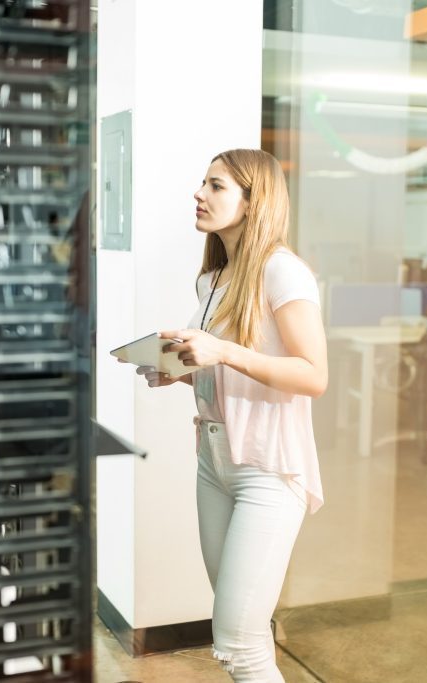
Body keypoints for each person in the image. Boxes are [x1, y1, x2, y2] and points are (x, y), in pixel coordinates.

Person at [139, 149, 328, 681]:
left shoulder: (282, 272)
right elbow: (233, 371)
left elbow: (314, 375)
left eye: (216, 185)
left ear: (253, 199)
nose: (198, 194)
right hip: (214, 462)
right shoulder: (213, 280)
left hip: (267, 469)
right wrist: (182, 371)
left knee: (237, 642)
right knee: (244, 631)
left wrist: (221, 352)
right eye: (204, 183)